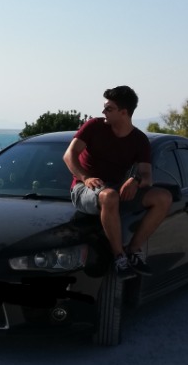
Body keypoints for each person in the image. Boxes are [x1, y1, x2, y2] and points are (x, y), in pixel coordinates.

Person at [63, 85, 172, 279]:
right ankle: (119, 257)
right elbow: (68, 155)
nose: (103, 112)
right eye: (104, 107)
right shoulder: (94, 126)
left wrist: (135, 180)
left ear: (124, 112)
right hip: (84, 188)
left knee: (163, 197)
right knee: (110, 196)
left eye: (109, 108)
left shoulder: (139, 140)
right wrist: (85, 177)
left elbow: (147, 176)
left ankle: (133, 250)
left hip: (114, 190)